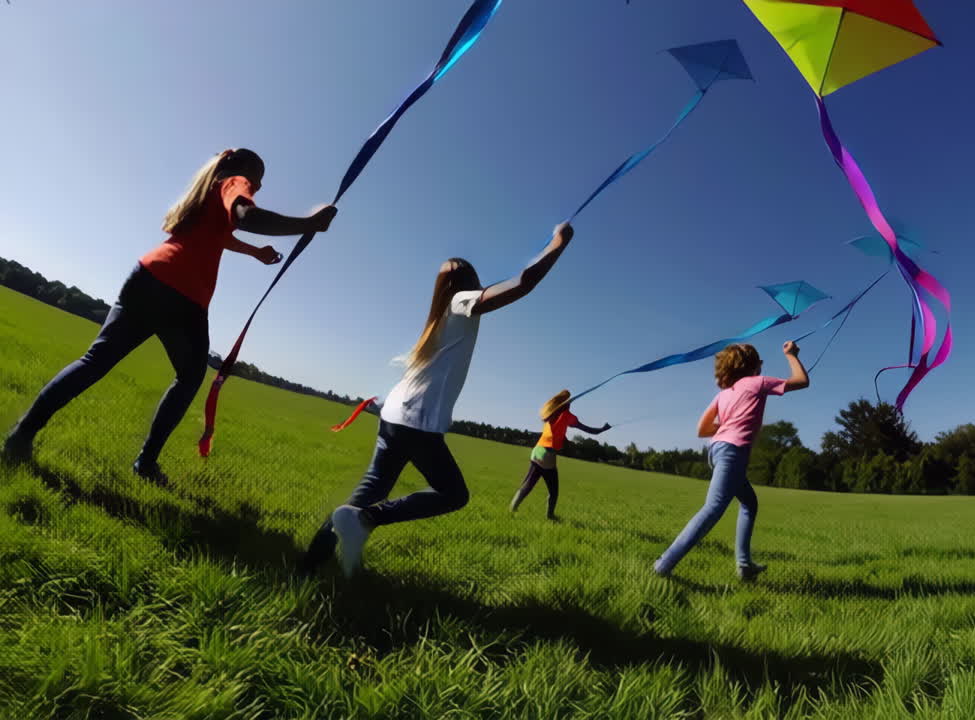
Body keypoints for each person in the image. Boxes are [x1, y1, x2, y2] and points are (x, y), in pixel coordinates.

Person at [2, 149, 336, 481]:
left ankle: (20, 437)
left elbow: (222, 233)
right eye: (258, 180)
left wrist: (255, 252)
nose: (256, 187)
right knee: (189, 379)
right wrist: (308, 224)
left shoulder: (208, 187)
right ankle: (146, 464)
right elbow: (246, 215)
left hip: (146, 277)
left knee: (94, 361)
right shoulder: (236, 181)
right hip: (183, 297)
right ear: (245, 170)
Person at [302, 223, 577, 578]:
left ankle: (309, 564)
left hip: (395, 417)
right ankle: (368, 520)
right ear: (466, 283)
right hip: (417, 422)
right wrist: (558, 243)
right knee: (453, 494)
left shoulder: (439, 318)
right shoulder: (460, 302)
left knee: (369, 490)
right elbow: (522, 284)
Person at [653, 341, 810, 581]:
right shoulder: (759, 382)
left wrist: (728, 425)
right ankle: (663, 566)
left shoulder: (724, 394)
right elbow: (801, 380)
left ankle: (745, 566)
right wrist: (791, 355)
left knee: (749, 503)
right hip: (732, 453)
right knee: (713, 508)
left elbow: (702, 429)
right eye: (759, 361)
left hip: (717, 450)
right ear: (753, 366)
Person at [509, 390, 610, 520]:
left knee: (529, 483)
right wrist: (603, 429)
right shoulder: (567, 416)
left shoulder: (550, 415)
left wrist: (565, 440)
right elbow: (589, 430)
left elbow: (557, 432)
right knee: (553, 491)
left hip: (537, 451)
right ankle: (550, 516)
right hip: (547, 455)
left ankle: (512, 508)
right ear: (567, 404)